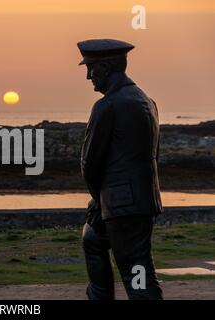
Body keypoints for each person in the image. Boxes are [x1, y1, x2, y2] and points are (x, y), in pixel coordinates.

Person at [78, 38, 163, 300]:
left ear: (106, 67)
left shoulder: (108, 106)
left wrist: (97, 198)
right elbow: (152, 154)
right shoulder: (147, 101)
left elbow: (90, 163)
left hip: (122, 205)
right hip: (140, 200)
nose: (88, 76)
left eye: (91, 68)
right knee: (93, 238)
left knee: (136, 271)